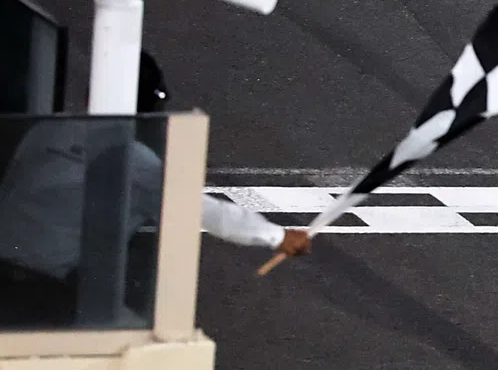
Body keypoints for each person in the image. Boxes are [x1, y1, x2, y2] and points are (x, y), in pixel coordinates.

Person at [0, 56, 309, 284]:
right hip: (44, 284)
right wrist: (276, 236)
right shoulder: (133, 161)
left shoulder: (49, 130)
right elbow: (205, 212)